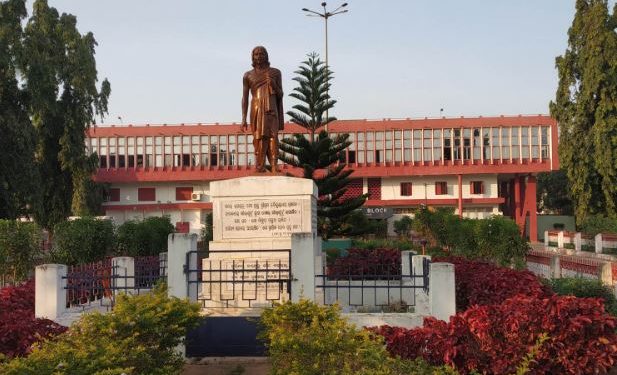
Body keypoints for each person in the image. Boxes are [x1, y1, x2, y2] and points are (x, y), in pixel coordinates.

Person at [241, 46, 284, 173]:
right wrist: (243, 118)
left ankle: (274, 165)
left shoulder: (275, 72)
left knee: (273, 136)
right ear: (253, 57)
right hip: (257, 108)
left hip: (271, 108)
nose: (259, 56)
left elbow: (281, 94)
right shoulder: (248, 75)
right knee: (259, 137)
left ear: (266, 55)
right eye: (256, 54)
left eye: (262, 53)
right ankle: (260, 166)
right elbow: (244, 97)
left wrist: (274, 85)